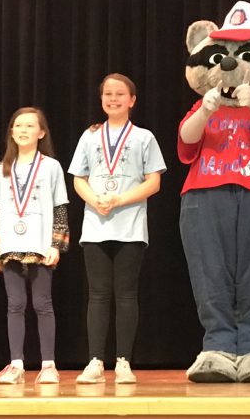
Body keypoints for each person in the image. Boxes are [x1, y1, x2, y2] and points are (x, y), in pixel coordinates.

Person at [69, 74, 165, 384]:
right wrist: (94, 200)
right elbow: (78, 178)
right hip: (96, 224)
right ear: (101, 100)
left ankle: (124, 361)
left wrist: (121, 198)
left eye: (120, 94)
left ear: (132, 100)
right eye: (108, 94)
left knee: (125, 294)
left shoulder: (144, 137)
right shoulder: (90, 136)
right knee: (97, 295)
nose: (113, 98)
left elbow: (154, 181)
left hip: (130, 225)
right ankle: (95, 361)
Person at [0, 107, 69, 385]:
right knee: (15, 304)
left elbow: (61, 208)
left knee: (43, 304)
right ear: (11, 132)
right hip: (9, 244)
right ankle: (16, 363)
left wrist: (56, 244)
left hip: (41, 244)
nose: (23, 130)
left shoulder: (51, 167)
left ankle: (48, 365)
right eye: (18, 125)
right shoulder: (2, 169)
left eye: (30, 126)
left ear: (41, 133)